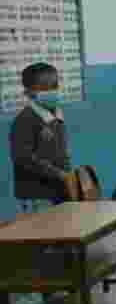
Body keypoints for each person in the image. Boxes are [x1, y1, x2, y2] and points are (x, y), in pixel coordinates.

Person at [9, 63, 71, 211]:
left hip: (59, 191)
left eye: (54, 85)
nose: (51, 90)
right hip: (37, 195)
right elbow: (23, 157)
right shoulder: (25, 120)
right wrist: (58, 173)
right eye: (44, 87)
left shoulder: (56, 114)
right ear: (29, 93)